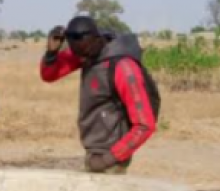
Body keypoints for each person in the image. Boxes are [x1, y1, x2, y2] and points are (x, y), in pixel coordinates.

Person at [39, 16, 160, 174]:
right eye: (77, 53)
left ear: (96, 39)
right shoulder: (88, 54)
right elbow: (49, 75)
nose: (80, 58)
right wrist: (51, 54)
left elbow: (145, 125)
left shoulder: (123, 67)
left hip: (112, 158)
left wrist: (108, 159)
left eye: (83, 52)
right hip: (95, 152)